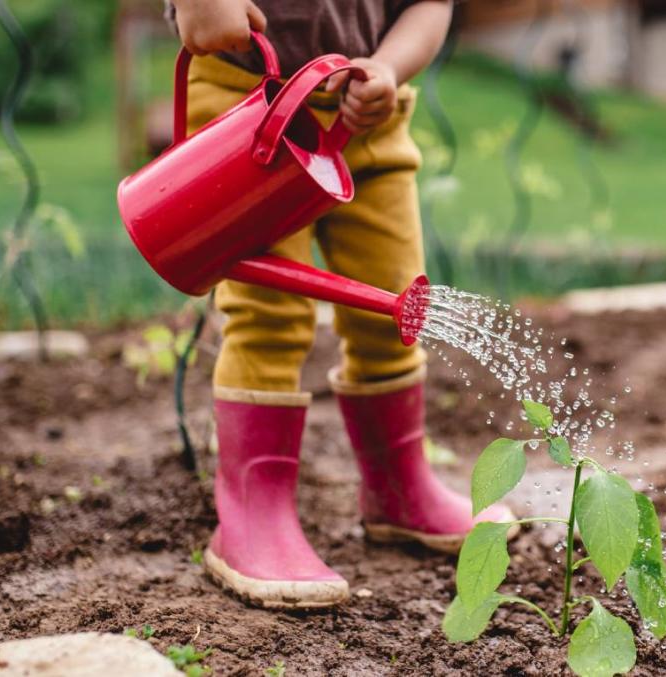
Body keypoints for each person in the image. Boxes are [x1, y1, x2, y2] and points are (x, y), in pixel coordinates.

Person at [167, 0, 514, 609]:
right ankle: (252, 513)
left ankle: (399, 487)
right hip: (247, 101)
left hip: (370, 116)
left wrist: (386, 66)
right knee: (270, 316)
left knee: (395, 308)